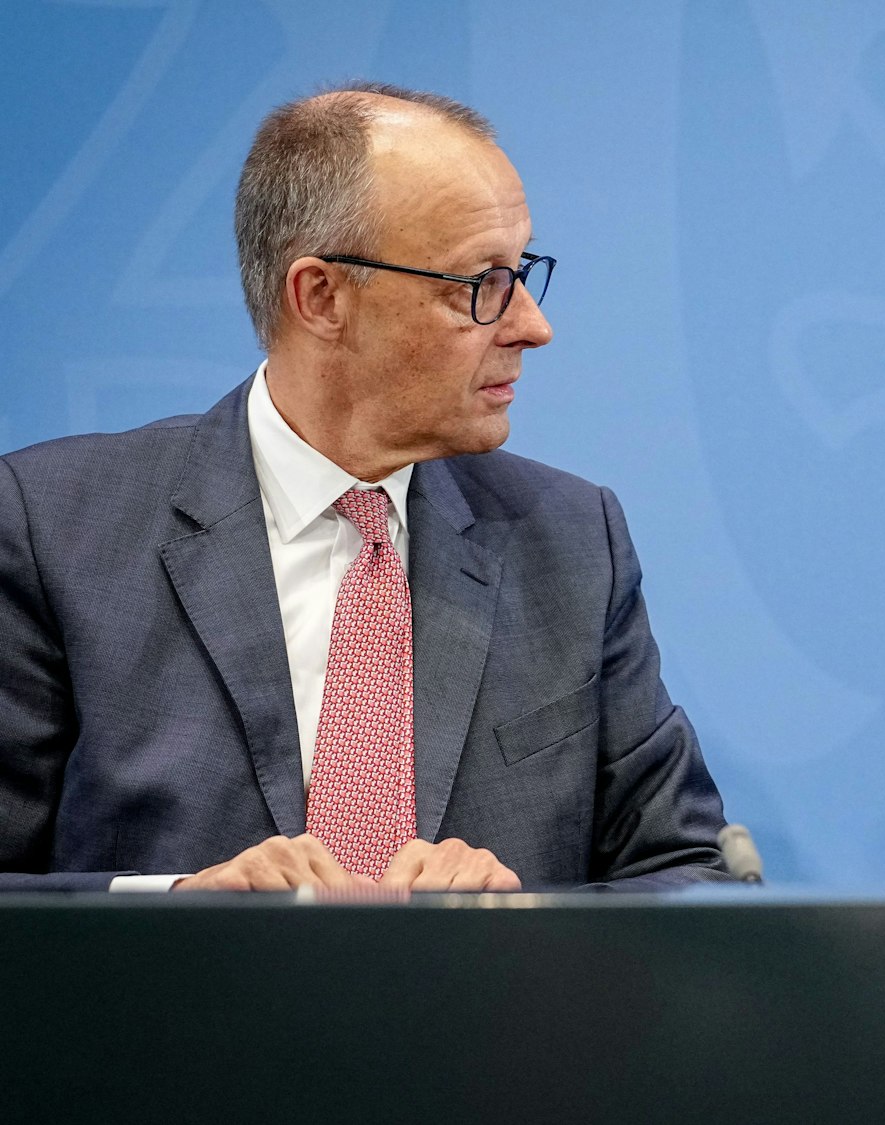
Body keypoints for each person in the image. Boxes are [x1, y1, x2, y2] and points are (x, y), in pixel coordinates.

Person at [0, 83, 728, 892]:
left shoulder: (570, 541)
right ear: (322, 297)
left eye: (522, 272)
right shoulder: (53, 528)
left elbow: (692, 875)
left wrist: (529, 919)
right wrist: (171, 910)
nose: (531, 324)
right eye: (480, 283)